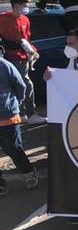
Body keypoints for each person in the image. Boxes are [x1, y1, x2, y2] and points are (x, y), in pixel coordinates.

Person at [0, 0, 44, 124]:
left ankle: (25, 113)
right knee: (24, 84)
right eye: (24, 6)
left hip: (23, 56)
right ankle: (30, 114)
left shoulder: (25, 19)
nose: (26, 9)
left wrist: (33, 51)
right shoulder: (3, 19)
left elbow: (27, 39)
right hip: (9, 56)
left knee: (24, 84)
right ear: (16, 5)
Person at [0, 55, 38, 194]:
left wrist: (15, 103)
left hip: (7, 115)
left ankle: (28, 170)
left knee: (13, 148)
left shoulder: (4, 64)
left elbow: (20, 85)